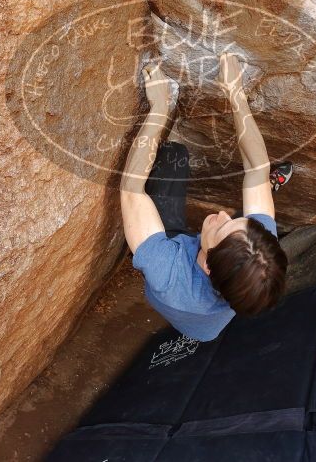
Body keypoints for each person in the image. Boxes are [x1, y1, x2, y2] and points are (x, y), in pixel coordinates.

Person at [119, 53, 291, 341]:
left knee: (174, 156)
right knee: (256, 197)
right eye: (242, 222)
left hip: (175, 262)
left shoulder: (168, 274)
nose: (223, 214)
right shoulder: (258, 254)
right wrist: (236, 93)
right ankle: (267, 195)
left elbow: (130, 190)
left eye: (224, 226)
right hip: (210, 309)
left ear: (209, 264)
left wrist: (160, 108)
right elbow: (257, 171)